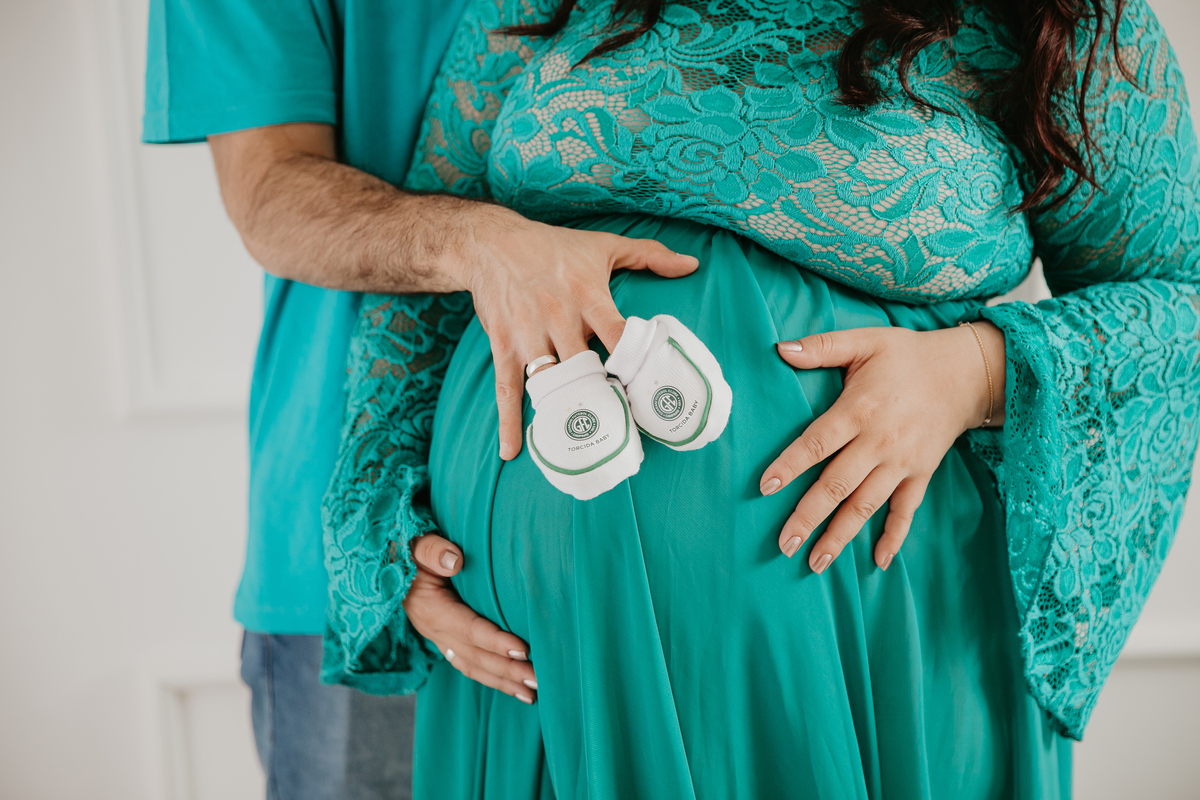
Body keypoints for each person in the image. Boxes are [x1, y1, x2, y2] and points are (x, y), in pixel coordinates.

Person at [321, 0, 1200, 797]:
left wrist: (975, 370)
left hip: (868, 633)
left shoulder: (1070, 22)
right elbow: (424, 283)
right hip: (541, 664)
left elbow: (1181, 300)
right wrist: (388, 546)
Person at [142, 0, 665, 795]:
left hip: (660, 565)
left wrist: (934, 364)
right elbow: (268, 189)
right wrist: (485, 246)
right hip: (374, 570)